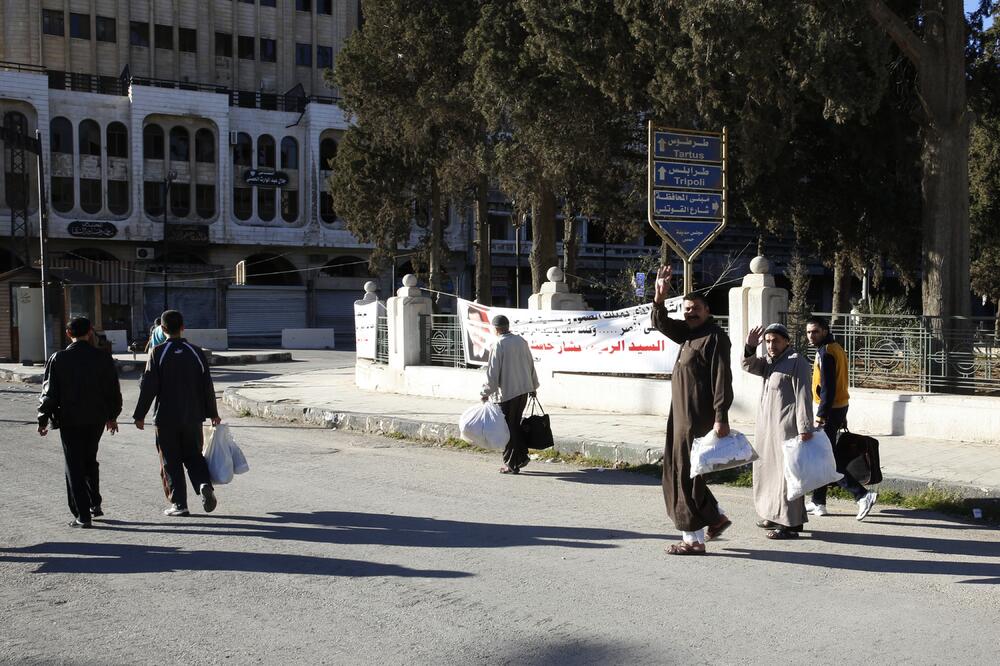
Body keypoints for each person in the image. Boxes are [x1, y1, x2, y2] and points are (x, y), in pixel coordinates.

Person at [651, 265, 733, 555]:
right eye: (686, 309)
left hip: (698, 417)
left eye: (695, 308)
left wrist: (721, 417)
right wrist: (660, 296)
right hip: (681, 415)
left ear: (708, 310)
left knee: (684, 473)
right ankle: (715, 517)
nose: (690, 313)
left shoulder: (714, 337)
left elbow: (723, 378)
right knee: (682, 472)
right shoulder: (688, 334)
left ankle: (694, 541)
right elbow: (662, 324)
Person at [133, 309, 222, 516]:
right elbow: (206, 385)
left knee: (170, 460)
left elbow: (149, 386)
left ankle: (179, 504)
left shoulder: (157, 352)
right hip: (193, 416)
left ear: (162, 329)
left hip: (166, 418)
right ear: (183, 328)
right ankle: (202, 485)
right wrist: (213, 413)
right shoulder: (196, 352)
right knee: (193, 455)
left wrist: (140, 415)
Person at [37, 317, 122, 528]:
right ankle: (95, 504)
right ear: (90, 332)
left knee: (74, 465)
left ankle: (82, 515)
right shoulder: (103, 358)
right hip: (96, 420)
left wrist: (43, 417)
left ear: (68, 333)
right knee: (89, 459)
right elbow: (113, 391)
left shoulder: (58, 359)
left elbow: (49, 393)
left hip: (70, 420)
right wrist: (112, 417)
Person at [742, 323, 814, 539]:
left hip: (787, 427)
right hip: (767, 428)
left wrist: (805, 427)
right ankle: (773, 515)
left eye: (776, 341)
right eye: (768, 341)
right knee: (767, 472)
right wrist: (749, 347)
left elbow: (804, 396)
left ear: (787, 342)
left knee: (786, 476)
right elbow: (748, 365)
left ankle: (790, 524)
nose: (771, 345)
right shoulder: (769, 363)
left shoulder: (796, 362)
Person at [804, 316, 878, 520]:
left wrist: (821, 415)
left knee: (825, 459)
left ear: (825, 331)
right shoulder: (835, 347)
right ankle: (818, 502)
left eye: (815, 331)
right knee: (823, 456)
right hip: (839, 407)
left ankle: (862, 495)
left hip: (829, 409)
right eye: (809, 332)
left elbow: (828, 387)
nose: (811, 336)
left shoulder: (826, 352)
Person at [480, 314, 540, 474]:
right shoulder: (520, 341)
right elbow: (530, 364)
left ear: (496, 329)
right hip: (523, 391)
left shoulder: (498, 344)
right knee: (514, 425)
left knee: (508, 428)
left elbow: (492, 373)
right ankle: (521, 457)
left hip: (507, 394)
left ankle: (511, 463)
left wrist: (485, 392)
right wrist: (533, 386)